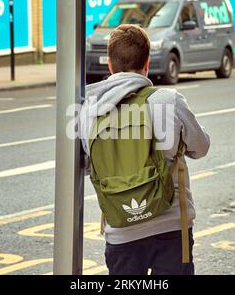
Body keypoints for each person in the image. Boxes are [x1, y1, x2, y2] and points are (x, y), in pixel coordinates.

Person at [80, 24, 210, 275]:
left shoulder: (89, 111)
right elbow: (201, 147)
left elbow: (86, 165)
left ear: (110, 64)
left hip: (121, 230)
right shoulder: (168, 101)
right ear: (147, 62)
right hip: (170, 226)